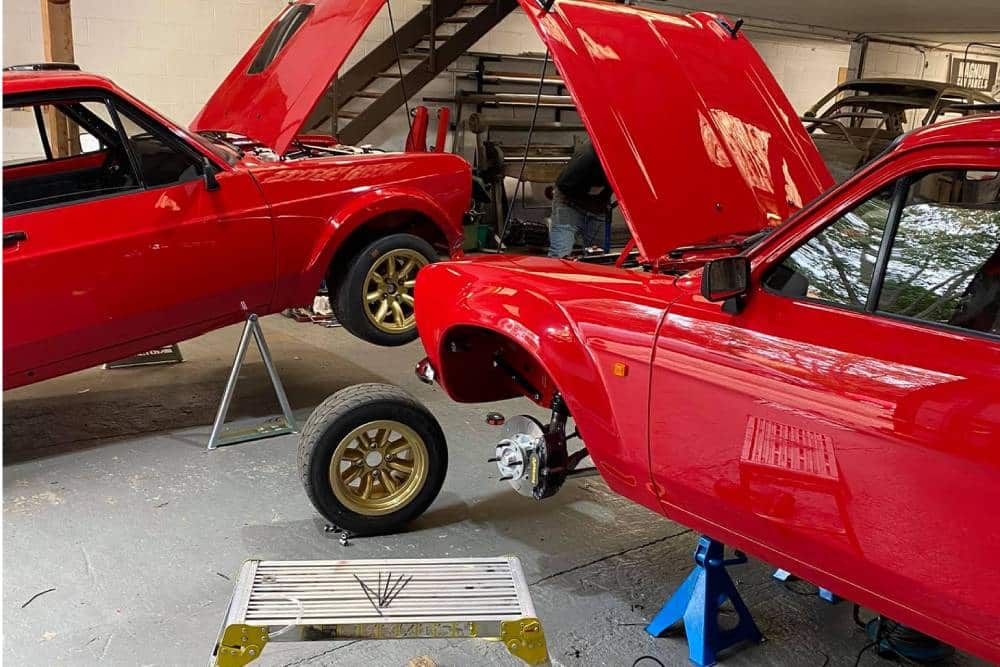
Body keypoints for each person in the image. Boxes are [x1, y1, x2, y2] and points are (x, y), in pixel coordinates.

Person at [548, 140, 612, 258]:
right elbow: (564, 185)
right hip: (569, 204)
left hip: (598, 206)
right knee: (560, 255)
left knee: (598, 258)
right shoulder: (588, 155)